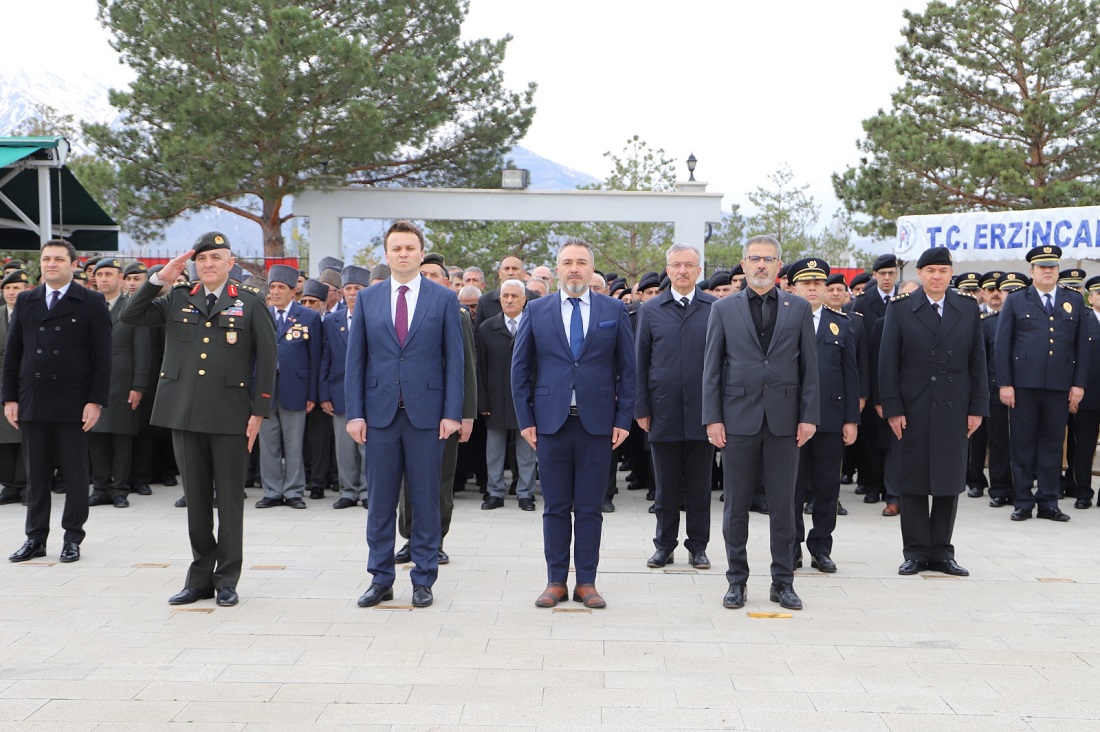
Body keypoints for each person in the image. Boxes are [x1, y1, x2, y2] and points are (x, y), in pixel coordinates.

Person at [121, 232, 277, 606]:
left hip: (230, 415)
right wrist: (160, 278)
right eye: (202, 258)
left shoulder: (250, 302)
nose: (208, 264)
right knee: (195, 501)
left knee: (229, 501)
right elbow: (131, 315)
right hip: (185, 412)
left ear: (230, 262)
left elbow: (268, 362)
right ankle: (199, 578)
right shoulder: (176, 297)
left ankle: (227, 580)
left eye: (216, 258)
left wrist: (259, 411)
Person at [345, 220, 464, 609]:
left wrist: (453, 413)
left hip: (427, 416)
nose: (403, 254)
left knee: (425, 498)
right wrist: (355, 413)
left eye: (410, 247)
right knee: (379, 500)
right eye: (396, 248)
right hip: (378, 415)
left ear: (420, 251)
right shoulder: (368, 299)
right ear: (386, 253)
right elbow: (356, 361)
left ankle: (423, 578)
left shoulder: (443, 298)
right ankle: (380, 578)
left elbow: (455, 362)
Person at [512, 237, 635, 609]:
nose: (575, 268)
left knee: (589, 506)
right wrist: (525, 420)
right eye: (568, 262)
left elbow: (628, 371)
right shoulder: (538, 310)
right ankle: (555, 581)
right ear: (558, 267)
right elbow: (520, 370)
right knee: (554, 506)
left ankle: (587, 581)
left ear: (591, 268)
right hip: (550, 424)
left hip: (598, 425)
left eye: (582, 262)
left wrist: (624, 418)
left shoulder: (613, 309)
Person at [702, 234, 819, 611]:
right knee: (735, 506)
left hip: (785, 422)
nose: (762, 265)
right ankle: (736, 581)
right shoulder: (723, 309)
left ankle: (783, 582)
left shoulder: (797, 308)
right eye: (755, 258)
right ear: (744, 262)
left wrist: (809, 417)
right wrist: (713, 419)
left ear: (779, 265)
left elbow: (810, 370)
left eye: (769, 259)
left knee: (785, 506)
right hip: (737, 420)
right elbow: (713, 370)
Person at [878, 247, 987, 576]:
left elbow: (978, 361)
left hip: (955, 405)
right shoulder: (901, 309)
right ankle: (914, 552)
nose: (937, 276)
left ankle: (942, 552)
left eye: (943, 270)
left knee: (948, 479)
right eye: (930, 271)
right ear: (920, 275)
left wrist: (977, 408)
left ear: (950, 273)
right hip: (914, 405)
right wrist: (893, 409)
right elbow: (887, 363)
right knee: (912, 481)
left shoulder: (966, 308)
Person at [4, 240, 112, 564]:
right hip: (33, 400)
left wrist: (96, 401)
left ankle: (72, 538)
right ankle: (35, 538)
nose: (52, 263)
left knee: (76, 474)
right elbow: (13, 354)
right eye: (47, 258)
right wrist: (9, 397)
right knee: (36, 475)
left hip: (73, 402)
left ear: (73, 264)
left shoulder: (91, 301)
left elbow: (103, 357)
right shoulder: (26, 300)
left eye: (59, 259)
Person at [634, 243, 716, 570]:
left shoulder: (715, 307)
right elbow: (640, 363)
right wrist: (641, 407)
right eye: (676, 265)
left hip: (703, 412)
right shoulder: (651, 310)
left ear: (699, 271)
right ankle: (664, 545)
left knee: (699, 486)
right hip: (663, 411)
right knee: (665, 488)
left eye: (689, 265)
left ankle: (698, 547)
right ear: (667, 270)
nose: (682, 270)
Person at [996, 245, 1087, 522]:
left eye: (1052, 267)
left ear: (1058, 270)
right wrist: (1005, 383)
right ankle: (1023, 500)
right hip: (1023, 385)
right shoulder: (1016, 300)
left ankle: (1048, 501)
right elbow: (1002, 344)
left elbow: (1081, 345)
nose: (1048, 271)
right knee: (1022, 443)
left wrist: (1078, 384)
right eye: (1042, 267)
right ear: (1032, 271)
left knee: (1052, 443)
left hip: (1059, 385)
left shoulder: (1074, 299)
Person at [788, 258, 859, 573]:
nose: (813, 288)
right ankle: (791, 547)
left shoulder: (840, 323)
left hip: (830, 417)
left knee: (827, 487)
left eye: (818, 283)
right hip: (790, 420)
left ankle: (821, 548)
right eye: (806, 283)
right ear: (795, 287)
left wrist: (851, 419)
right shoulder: (782, 320)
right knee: (791, 487)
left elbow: (850, 374)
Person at [255, 265, 322, 510]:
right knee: (268, 443)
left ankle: (294, 491)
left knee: (294, 444)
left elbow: (316, 358)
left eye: (281, 287)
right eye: (272, 287)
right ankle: (272, 491)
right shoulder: (261, 314)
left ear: (293, 291)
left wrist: (313, 394)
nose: (275, 292)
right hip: (265, 389)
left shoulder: (309, 317)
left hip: (297, 389)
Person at [88, 258, 152, 509]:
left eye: (109, 274)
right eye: (100, 274)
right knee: (97, 435)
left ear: (121, 279)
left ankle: (119, 489)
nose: (104, 279)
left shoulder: (132, 307)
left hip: (123, 381)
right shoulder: (89, 305)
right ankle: (100, 487)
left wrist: (138, 385)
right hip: (93, 382)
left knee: (121, 436)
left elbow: (142, 350)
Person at [478, 279, 537, 511]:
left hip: (526, 399)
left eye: (515, 296)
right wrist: (482, 400)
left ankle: (525, 493)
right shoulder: (486, 328)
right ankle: (495, 492)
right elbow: (480, 369)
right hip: (495, 399)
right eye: (505, 296)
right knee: (494, 450)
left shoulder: (534, 327)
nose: (510, 300)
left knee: (526, 451)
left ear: (524, 300)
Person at [852, 254, 901, 514]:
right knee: (871, 437)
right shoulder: (862, 302)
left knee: (893, 438)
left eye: (891, 273)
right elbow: (860, 347)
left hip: (896, 381)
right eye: (881, 274)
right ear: (874, 276)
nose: (886, 278)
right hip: (870, 377)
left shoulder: (903, 301)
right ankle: (872, 485)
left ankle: (893, 490)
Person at [320, 266, 370, 509]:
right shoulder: (331, 321)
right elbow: (325, 359)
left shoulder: (376, 317)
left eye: (357, 289)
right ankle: (348, 491)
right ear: (341, 293)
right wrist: (324, 394)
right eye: (348, 289)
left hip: (370, 392)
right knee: (344, 445)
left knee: (367, 446)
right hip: (339, 392)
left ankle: (368, 491)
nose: (352, 293)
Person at [1069, 275, 1100, 509]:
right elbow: (1073, 358)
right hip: (1088, 394)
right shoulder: (1083, 320)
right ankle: (1083, 492)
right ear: (1090, 297)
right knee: (1084, 446)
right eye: (1098, 293)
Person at [0, 270, 30, 507]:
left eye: (16, 288)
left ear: (25, 291)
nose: (11, 293)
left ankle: (24, 486)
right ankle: (9, 485)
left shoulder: (32, 314)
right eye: (7, 288)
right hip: (2, 383)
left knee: (23, 435)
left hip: (25, 381)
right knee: (3, 437)